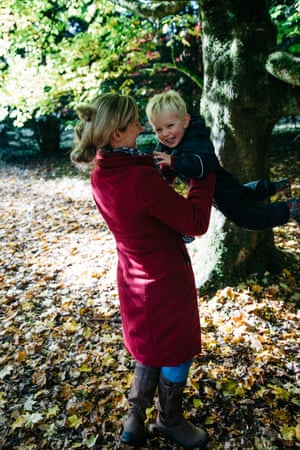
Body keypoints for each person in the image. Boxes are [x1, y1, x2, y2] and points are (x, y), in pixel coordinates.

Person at [71, 93, 216, 448]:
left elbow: (142, 205)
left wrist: (165, 169)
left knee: (151, 345)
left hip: (134, 275)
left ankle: (135, 418)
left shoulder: (104, 171)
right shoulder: (139, 179)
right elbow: (195, 221)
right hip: (163, 278)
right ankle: (169, 420)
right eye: (135, 121)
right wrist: (203, 176)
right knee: (176, 350)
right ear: (118, 134)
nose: (142, 126)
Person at [145, 90, 300, 231]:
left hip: (223, 191)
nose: (165, 133)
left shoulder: (196, 140)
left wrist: (174, 162)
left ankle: (290, 208)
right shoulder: (170, 143)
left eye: (170, 126)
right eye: (158, 129)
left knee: (249, 219)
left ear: (185, 121)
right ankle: (277, 186)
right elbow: (158, 161)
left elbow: (202, 167)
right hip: (223, 188)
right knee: (246, 193)